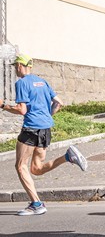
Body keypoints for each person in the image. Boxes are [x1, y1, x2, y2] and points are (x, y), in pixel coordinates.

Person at [0, 54, 88, 216]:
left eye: (15, 66)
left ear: (20, 66)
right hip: (45, 128)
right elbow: (58, 102)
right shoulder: (42, 81)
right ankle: (67, 157)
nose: (15, 70)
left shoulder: (21, 83)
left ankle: (36, 204)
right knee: (36, 169)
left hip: (31, 129)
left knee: (20, 166)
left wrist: (3, 105)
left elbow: (22, 109)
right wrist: (46, 116)